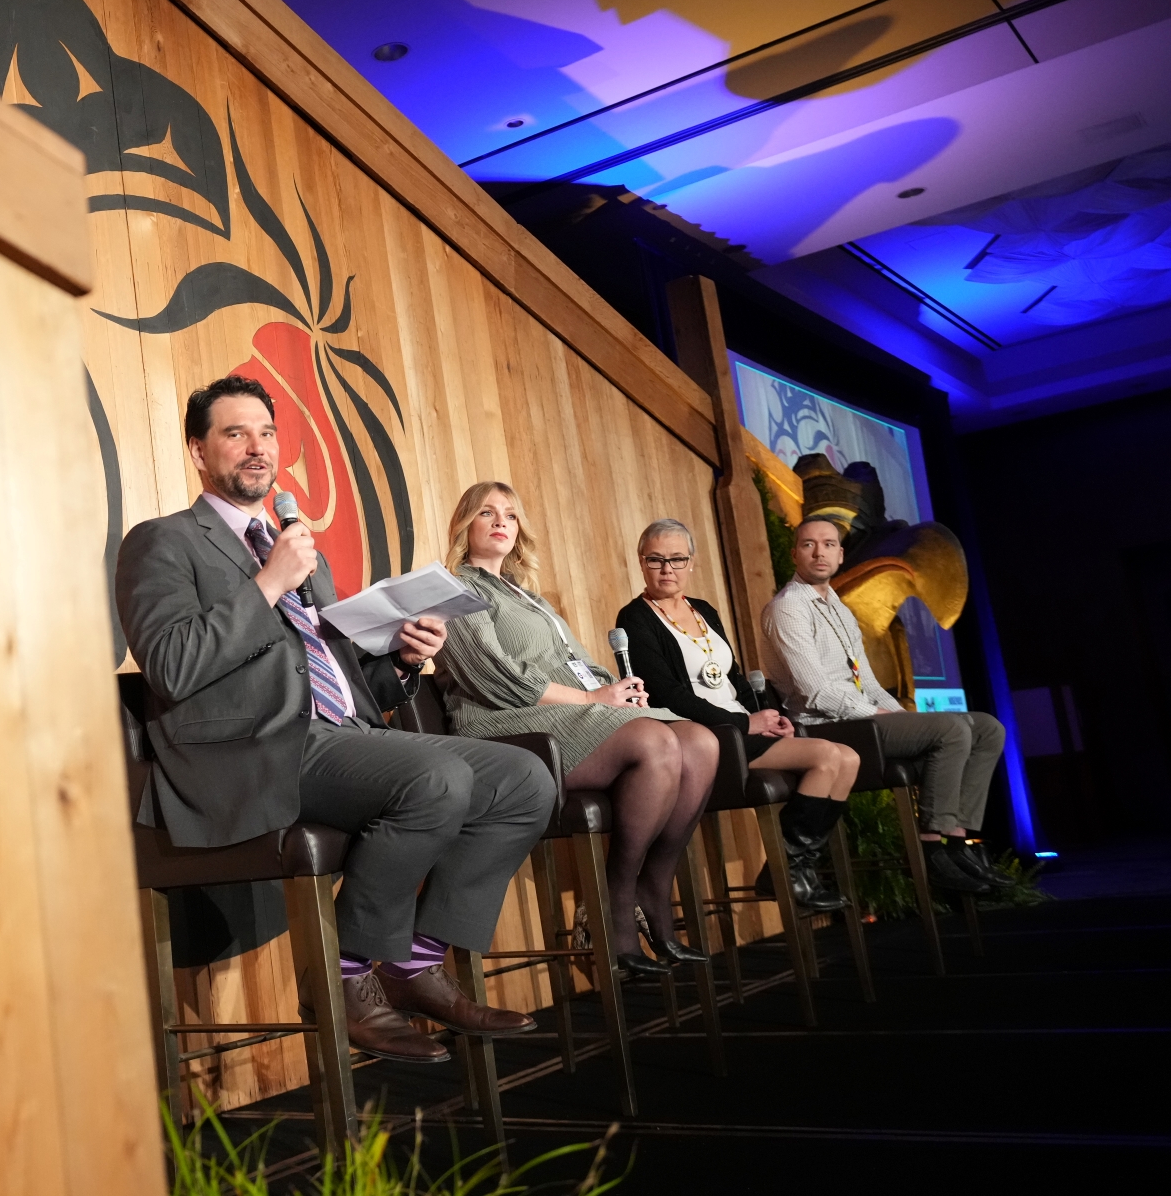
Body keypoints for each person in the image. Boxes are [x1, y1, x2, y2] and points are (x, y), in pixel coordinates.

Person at [115, 378, 558, 1064]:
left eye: (266, 432)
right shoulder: (163, 541)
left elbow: (346, 678)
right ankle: (343, 980)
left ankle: (413, 964)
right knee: (438, 774)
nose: (257, 447)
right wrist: (268, 582)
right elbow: (172, 666)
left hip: (342, 736)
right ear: (198, 451)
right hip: (252, 750)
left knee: (525, 779)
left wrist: (404, 658)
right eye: (235, 433)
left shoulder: (298, 550)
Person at [432, 483, 718, 975]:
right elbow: (495, 679)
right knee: (654, 741)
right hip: (503, 723)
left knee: (701, 742)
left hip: (566, 711)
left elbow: (579, 663)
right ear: (464, 524)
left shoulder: (528, 596)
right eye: (487, 513)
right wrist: (593, 700)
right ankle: (613, 903)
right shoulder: (456, 588)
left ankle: (653, 889)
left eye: (510, 515)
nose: (501, 522)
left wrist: (617, 691)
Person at [614, 519, 858, 911]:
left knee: (849, 759)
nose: (667, 569)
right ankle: (784, 873)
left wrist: (768, 715)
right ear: (641, 563)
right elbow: (667, 694)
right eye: (656, 559)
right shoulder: (635, 618)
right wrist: (746, 723)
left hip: (744, 724)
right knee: (829, 756)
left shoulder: (704, 610)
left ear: (691, 562)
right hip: (709, 737)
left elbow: (735, 677)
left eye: (677, 559)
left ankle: (797, 870)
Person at [762, 516, 1011, 895]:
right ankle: (932, 850)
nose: (819, 552)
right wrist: (874, 713)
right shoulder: (788, 607)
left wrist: (898, 714)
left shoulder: (839, 609)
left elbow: (869, 684)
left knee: (989, 728)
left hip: (860, 720)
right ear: (795, 554)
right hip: (824, 727)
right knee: (951, 728)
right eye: (809, 544)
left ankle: (957, 842)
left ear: (840, 555)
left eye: (828, 544)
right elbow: (815, 692)